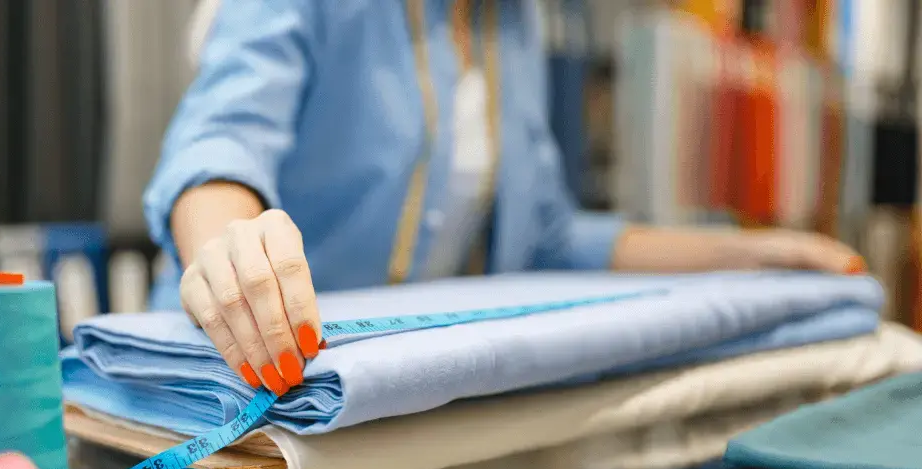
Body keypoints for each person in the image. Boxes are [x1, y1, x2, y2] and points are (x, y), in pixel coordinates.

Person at [142, 0, 864, 397]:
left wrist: (747, 251)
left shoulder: (513, 25)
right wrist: (227, 245)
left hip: (379, 398)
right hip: (239, 379)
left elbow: (550, 235)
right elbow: (220, 144)